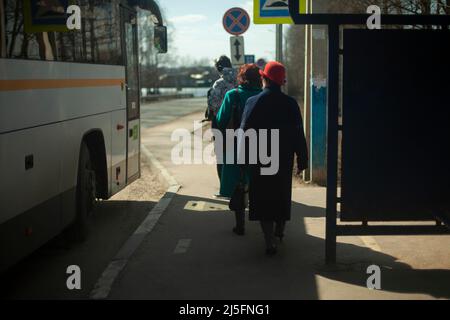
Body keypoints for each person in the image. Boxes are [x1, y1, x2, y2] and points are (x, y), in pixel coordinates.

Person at [240, 61, 309, 255]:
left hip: (259, 160)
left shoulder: (252, 102)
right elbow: (298, 134)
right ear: (282, 82)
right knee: (280, 195)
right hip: (283, 159)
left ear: (264, 79)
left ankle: (269, 241)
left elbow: (244, 133)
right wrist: (302, 160)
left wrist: (242, 161)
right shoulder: (290, 104)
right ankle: (280, 230)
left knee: (262, 199)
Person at [215, 64, 263, 236]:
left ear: (241, 78)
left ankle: (240, 224)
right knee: (257, 182)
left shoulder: (232, 95)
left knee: (237, 184)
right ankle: (263, 223)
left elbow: (220, 121)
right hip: (261, 146)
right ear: (260, 78)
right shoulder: (263, 96)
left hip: (235, 146)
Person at [208, 56, 237, 186]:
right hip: (239, 123)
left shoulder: (219, 84)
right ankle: (240, 186)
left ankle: (225, 187)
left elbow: (213, 105)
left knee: (222, 156)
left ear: (219, 68)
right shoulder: (241, 80)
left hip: (222, 125)